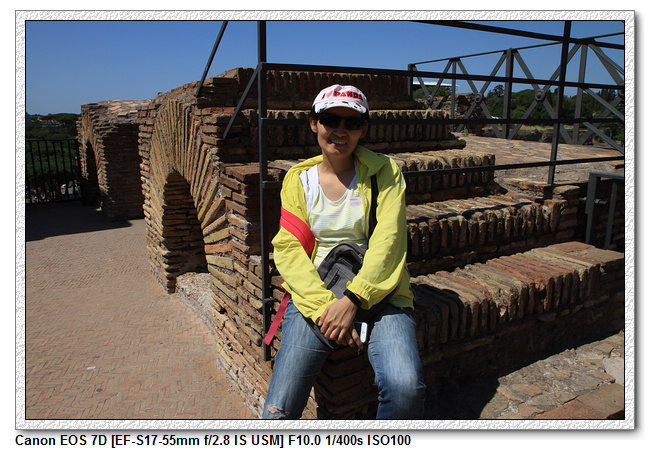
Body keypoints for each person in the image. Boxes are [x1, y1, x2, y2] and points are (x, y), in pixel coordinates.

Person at [262, 84, 425, 419]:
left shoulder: (384, 172)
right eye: (330, 120)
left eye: (352, 123)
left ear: (363, 129)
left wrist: (352, 300)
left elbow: (389, 241)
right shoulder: (299, 180)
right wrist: (326, 308)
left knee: (406, 391)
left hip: (381, 292)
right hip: (317, 292)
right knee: (279, 411)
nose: (340, 130)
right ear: (314, 123)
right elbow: (288, 247)